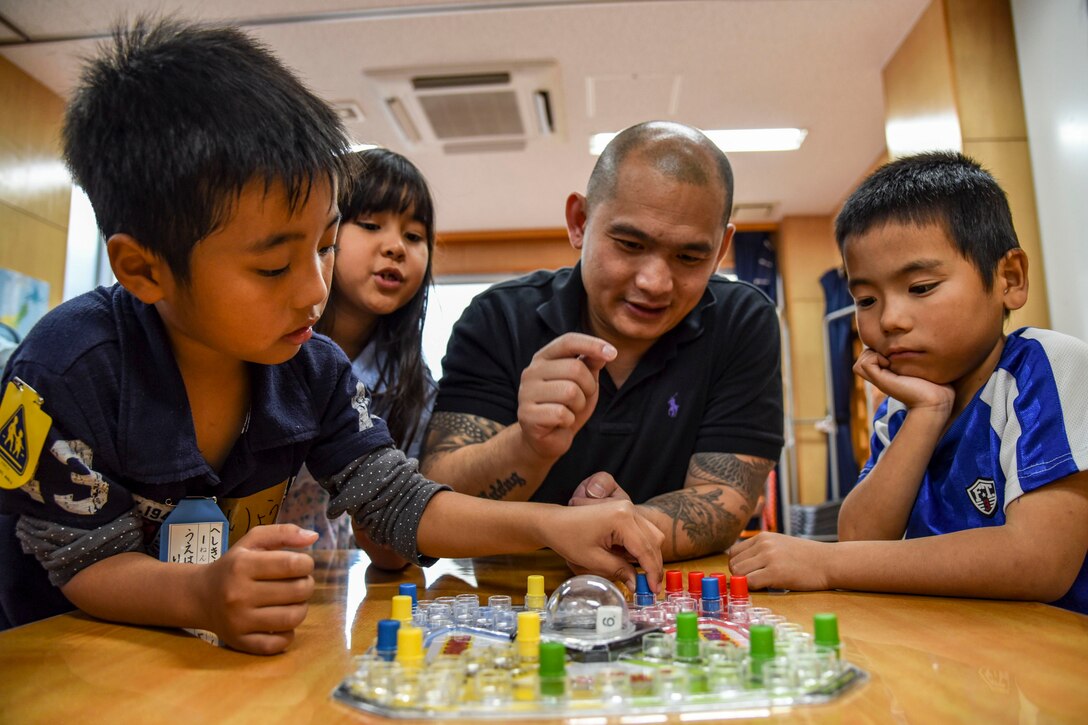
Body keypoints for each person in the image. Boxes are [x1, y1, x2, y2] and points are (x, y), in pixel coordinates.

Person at [0, 18, 663, 652]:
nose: (315, 288)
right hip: (65, 657)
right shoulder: (65, 371)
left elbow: (401, 502)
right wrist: (198, 595)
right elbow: (86, 562)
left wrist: (556, 527)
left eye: (324, 245)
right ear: (144, 269)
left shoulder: (311, 368)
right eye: (272, 265)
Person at [728, 151, 1088, 613]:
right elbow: (859, 537)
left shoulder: (1047, 367)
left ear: (1009, 278)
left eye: (920, 288)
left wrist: (827, 564)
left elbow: (1039, 561)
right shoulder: (901, 410)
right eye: (865, 299)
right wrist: (927, 413)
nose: (891, 320)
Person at [421, 121, 784, 562]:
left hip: (665, 597)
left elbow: (722, 501)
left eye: (690, 257)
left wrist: (607, 530)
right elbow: (436, 497)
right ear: (580, 222)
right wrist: (528, 446)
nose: (654, 283)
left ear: (722, 248)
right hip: (506, 598)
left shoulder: (741, 321)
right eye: (630, 244)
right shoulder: (498, 319)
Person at [279, 148, 437, 567]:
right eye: (370, 225)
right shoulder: (273, 347)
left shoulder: (413, 385)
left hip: (328, 579)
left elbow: (397, 529)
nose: (395, 247)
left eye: (414, 236)